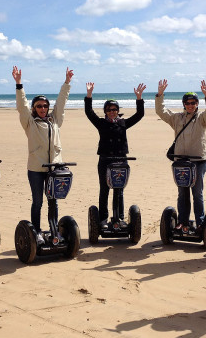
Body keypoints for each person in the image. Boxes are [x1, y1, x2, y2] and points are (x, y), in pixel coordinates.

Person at [13, 66, 73, 241]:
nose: (43, 108)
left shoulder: (55, 121)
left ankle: (54, 232)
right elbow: (21, 106)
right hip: (36, 169)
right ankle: (37, 233)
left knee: (53, 201)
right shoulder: (30, 123)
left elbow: (61, 103)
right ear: (34, 108)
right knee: (38, 202)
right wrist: (19, 84)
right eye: (39, 106)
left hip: (54, 168)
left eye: (45, 106)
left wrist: (67, 83)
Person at [156, 80, 206, 232]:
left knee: (197, 193)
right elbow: (161, 112)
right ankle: (183, 222)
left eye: (193, 103)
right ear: (184, 104)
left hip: (198, 161)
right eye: (188, 103)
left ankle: (201, 222)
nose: (190, 105)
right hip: (181, 162)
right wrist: (160, 95)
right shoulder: (177, 119)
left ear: (197, 104)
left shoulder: (202, 119)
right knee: (182, 193)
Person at [85, 82, 146, 229]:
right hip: (105, 160)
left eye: (114, 109)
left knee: (119, 190)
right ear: (105, 111)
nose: (112, 112)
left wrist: (139, 98)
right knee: (104, 189)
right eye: (109, 109)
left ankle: (119, 218)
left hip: (121, 161)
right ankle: (103, 219)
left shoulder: (123, 123)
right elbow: (89, 112)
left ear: (118, 111)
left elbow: (140, 115)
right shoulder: (101, 123)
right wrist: (89, 95)